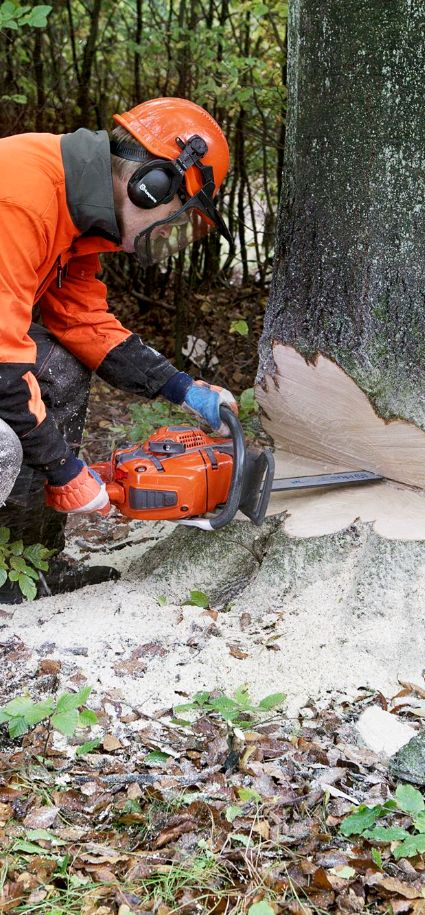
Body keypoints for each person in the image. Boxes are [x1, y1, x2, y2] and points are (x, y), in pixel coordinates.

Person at [0, 97, 237, 602]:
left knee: (58, 367)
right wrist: (64, 469)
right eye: (180, 218)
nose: (172, 235)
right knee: (5, 438)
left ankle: (26, 565)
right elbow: (2, 363)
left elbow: (85, 323)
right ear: (152, 186)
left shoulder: (78, 221)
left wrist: (181, 388)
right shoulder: (20, 196)